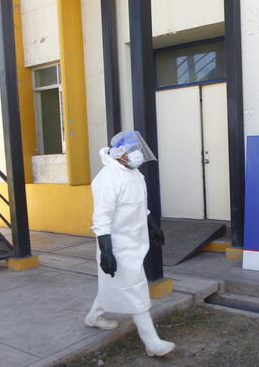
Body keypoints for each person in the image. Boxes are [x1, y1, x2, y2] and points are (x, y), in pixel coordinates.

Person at [84, 130, 175, 357]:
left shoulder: (134, 174)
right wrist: (106, 250)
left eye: (138, 151)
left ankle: (94, 316)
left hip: (135, 242)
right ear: (119, 153)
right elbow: (102, 218)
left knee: (114, 283)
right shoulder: (107, 179)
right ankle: (152, 343)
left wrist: (152, 225)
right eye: (132, 151)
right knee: (134, 287)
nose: (137, 156)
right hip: (117, 245)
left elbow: (139, 204)